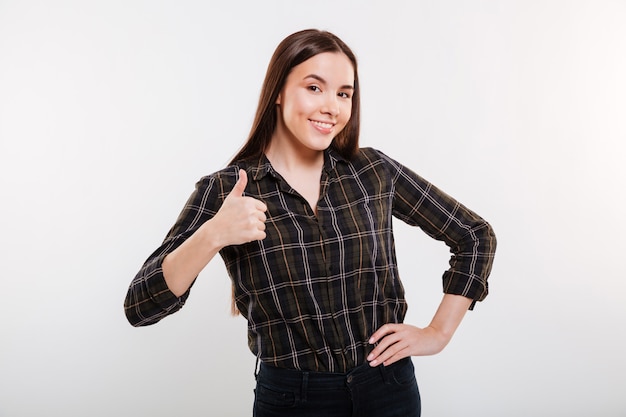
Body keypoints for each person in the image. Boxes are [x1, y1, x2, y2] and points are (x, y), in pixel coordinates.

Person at [124, 29, 496, 417]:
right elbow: (140, 306)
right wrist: (213, 234)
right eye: (314, 87)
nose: (332, 106)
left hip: (388, 388)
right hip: (293, 400)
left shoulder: (373, 172)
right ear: (279, 91)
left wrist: (437, 334)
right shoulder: (226, 190)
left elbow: (474, 235)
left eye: (344, 93)